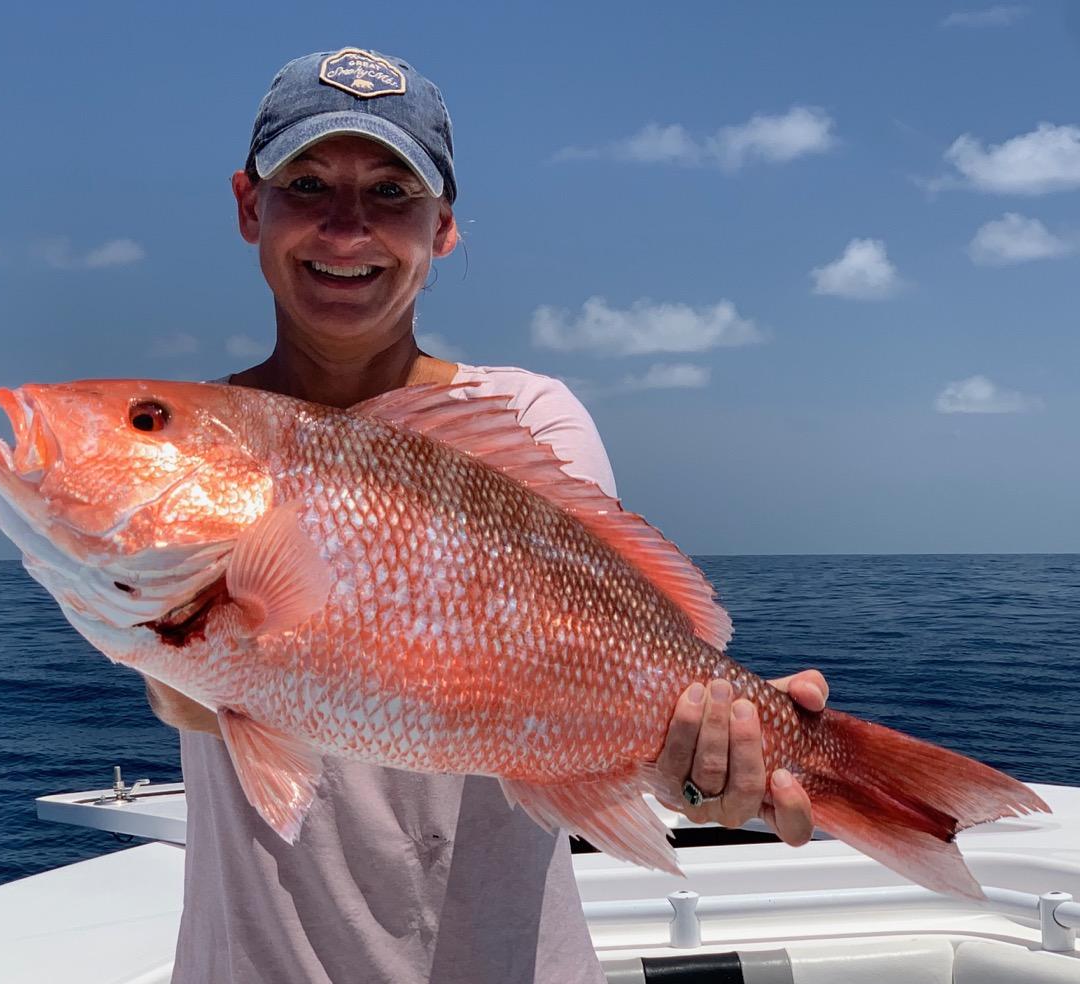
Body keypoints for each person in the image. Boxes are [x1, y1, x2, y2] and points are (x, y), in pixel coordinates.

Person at [145, 48, 829, 984]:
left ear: (445, 226)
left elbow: (593, 661)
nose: (348, 228)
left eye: (392, 193)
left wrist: (700, 761)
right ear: (246, 205)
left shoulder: (524, 422)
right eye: (307, 183)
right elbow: (181, 682)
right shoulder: (197, 442)